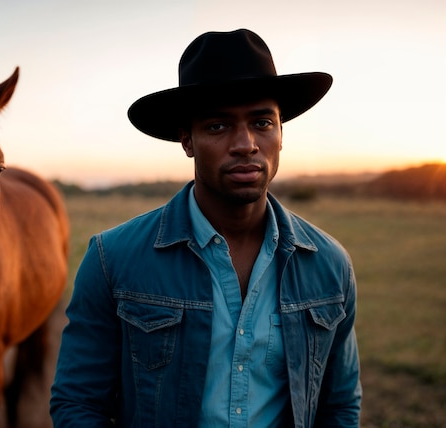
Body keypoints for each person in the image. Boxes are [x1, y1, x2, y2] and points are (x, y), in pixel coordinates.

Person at [51, 28, 361, 427]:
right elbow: (78, 403)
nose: (246, 143)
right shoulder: (113, 260)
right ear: (187, 140)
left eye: (263, 122)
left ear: (281, 134)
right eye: (218, 126)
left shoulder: (330, 266)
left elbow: (339, 406)